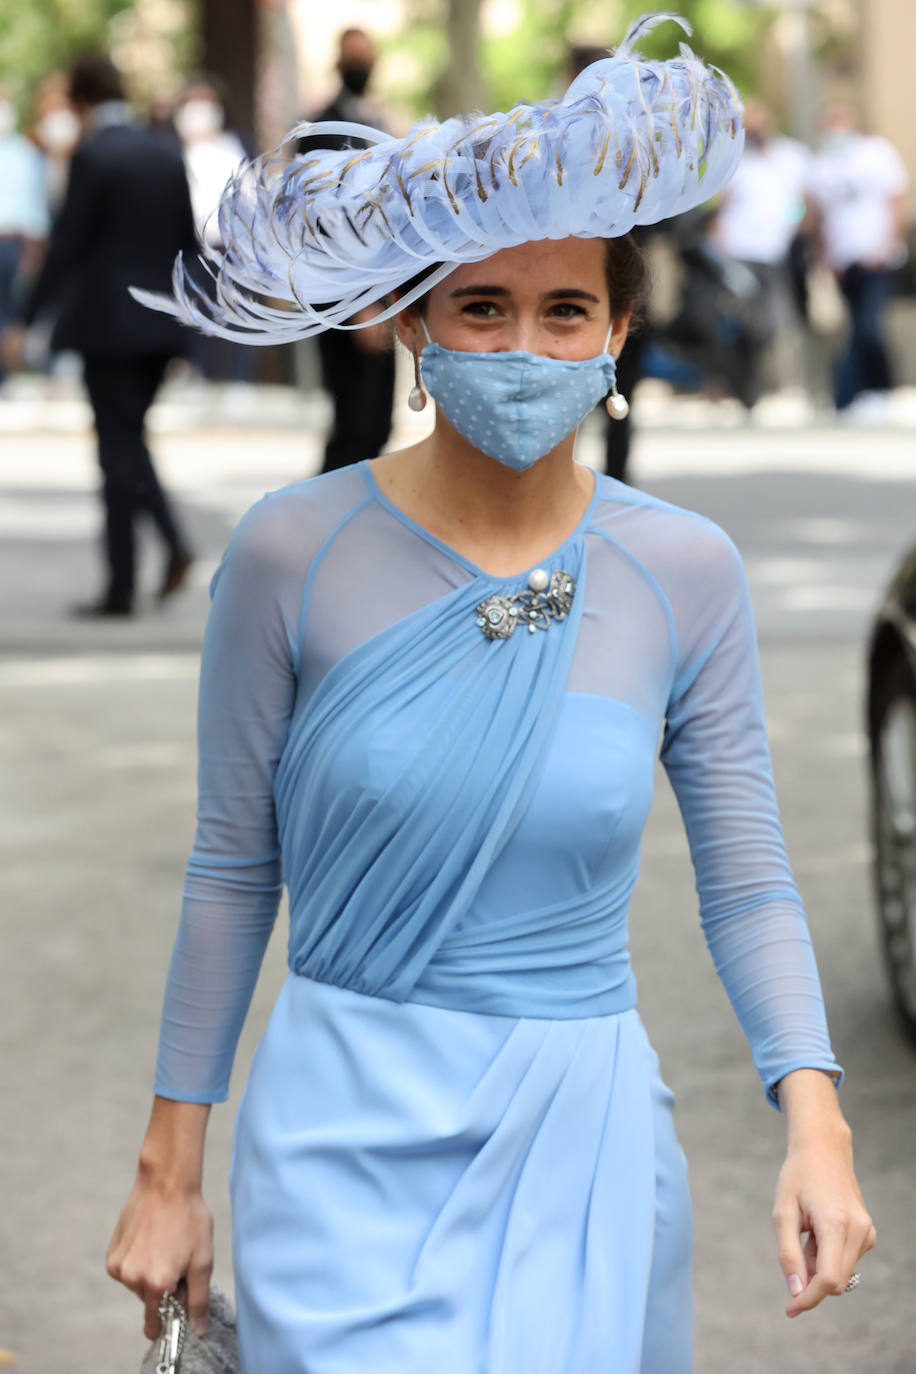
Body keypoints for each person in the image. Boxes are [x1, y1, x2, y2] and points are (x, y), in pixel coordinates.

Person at [108, 16, 874, 1372]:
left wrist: (815, 1125)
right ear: (414, 322)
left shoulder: (685, 569)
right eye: (481, 306)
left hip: (580, 1136)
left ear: (621, 331)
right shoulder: (291, 550)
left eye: (565, 308)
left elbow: (747, 871)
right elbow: (233, 866)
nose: (523, 345)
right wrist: (171, 1166)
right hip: (338, 1130)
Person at [3, 54, 197, 617]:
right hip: (162, 324)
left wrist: (25, 317)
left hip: (107, 329)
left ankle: (140, 570)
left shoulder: (92, 155)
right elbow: (188, 242)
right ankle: (136, 572)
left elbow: (67, 245)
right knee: (127, 444)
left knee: (118, 448)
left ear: (82, 101)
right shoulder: (164, 150)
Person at [297, 27, 395, 472]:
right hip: (344, 297)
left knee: (376, 424)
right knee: (354, 425)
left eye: (367, 56)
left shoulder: (377, 122)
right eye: (355, 57)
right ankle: (322, 524)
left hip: (379, 295)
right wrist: (360, 305)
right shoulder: (321, 128)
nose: (362, 66)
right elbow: (327, 221)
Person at [807, 103, 910, 414]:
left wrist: (889, 245)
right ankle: (863, 393)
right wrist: (825, 257)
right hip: (844, 263)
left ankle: (864, 393)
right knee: (855, 328)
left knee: (869, 327)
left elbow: (896, 201)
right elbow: (819, 216)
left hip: (878, 259)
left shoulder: (876, 153)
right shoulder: (822, 164)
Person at [710, 99, 811, 397]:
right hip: (741, 253)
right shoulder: (733, 159)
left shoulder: (792, 156)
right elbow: (721, 206)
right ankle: (744, 385)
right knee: (743, 322)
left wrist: (796, 228)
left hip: (779, 252)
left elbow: (802, 202)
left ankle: (764, 382)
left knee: (773, 323)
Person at [0, 83, 50, 391]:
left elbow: (35, 207)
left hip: (14, 243)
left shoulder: (24, 153)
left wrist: (35, 248)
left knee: (12, 309)